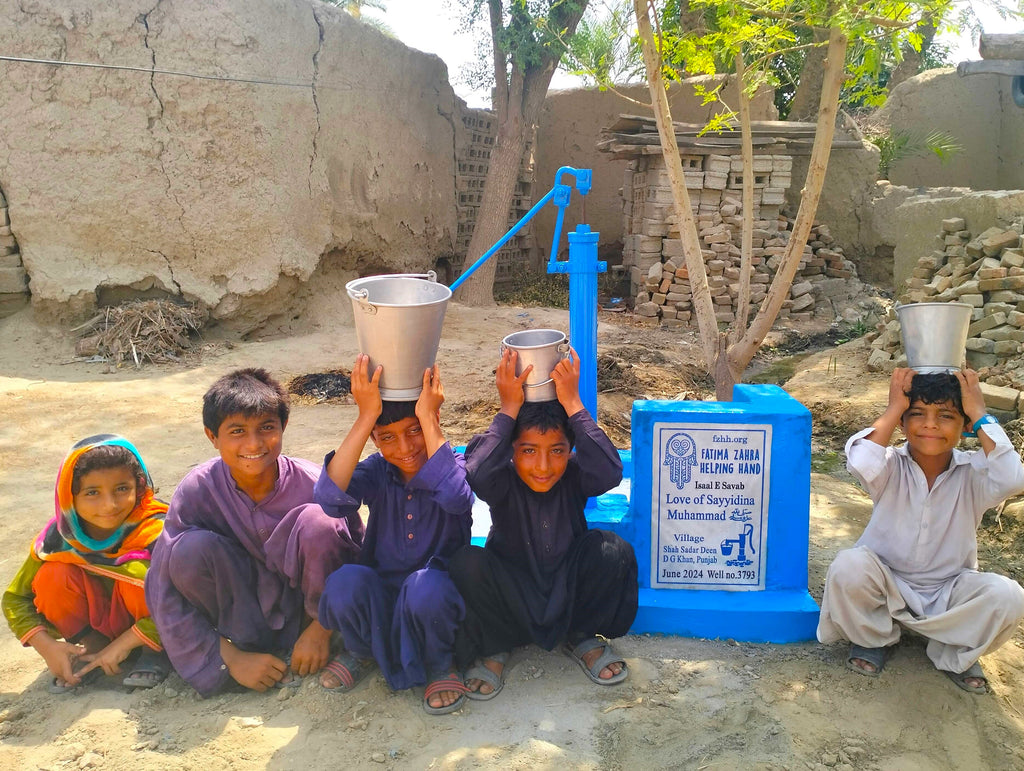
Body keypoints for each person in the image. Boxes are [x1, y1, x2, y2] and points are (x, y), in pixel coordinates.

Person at [146, 368, 363, 696]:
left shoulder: (312, 482)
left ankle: (324, 636)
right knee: (187, 550)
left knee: (321, 522)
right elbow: (163, 587)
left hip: (312, 617)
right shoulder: (196, 491)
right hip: (240, 619)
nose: (254, 443)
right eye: (237, 431)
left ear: (283, 427)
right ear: (212, 437)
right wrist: (230, 659)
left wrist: (322, 628)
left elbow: (359, 557)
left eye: (267, 428)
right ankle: (250, 649)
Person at [818, 367, 1024, 694]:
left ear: (965, 427)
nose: (930, 424)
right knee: (848, 566)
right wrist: (893, 408)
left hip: (949, 591)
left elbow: (1013, 479)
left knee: (1009, 596)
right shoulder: (888, 465)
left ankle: (953, 649)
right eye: (917, 414)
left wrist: (980, 413)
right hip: (886, 584)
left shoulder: (975, 473)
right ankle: (875, 638)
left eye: (946, 415)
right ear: (902, 422)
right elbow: (860, 462)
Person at [450, 347, 638, 700]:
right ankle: (497, 647)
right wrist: (508, 408)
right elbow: (474, 473)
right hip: (512, 593)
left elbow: (611, 471)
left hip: (568, 591)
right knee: (466, 561)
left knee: (613, 550)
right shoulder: (501, 479)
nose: (543, 466)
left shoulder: (576, 476)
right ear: (510, 450)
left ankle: (581, 636)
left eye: (556, 450)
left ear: (571, 449)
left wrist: (574, 405)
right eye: (528, 450)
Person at [316, 356, 473, 715]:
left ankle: (439, 664)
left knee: (424, 588)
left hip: (436, 599)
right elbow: (329, 500)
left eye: (414, 430)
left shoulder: (455, 464)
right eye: (387, 437)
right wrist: (365, 416)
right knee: (345, 582)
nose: (404, 448)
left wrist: (430, 418)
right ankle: (361, 651)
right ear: (374, 439)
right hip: (383, 596)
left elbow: (455, 498)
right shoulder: (378, 471)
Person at [3, 435, 170, 693]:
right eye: (92, 492)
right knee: (52, 576)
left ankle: (153, 651)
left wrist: (126, 642)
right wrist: (47, 647)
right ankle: (90, 646)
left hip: (160, 626)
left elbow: (184, 600)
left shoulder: (159, 530)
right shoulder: (58, 539)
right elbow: (14, 599)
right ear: (69, 496)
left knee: (142, 577)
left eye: (122, 489)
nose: (109, 505)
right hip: (97, 627)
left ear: (139, 486)